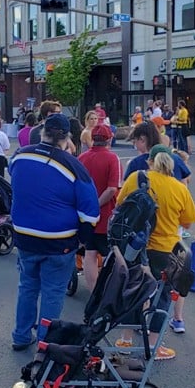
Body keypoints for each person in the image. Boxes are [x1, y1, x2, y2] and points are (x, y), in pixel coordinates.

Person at [9, 113, 100, 351]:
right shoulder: (72, 165)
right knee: (53, 291)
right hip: (59, 240)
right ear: (67, 138)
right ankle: (46, 342)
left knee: (27, 286)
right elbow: (90, 211)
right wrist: (82, 236)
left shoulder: (20, 156)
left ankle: (20, 335)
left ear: (43, 132)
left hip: (24, 235)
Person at [115, 145, 195, 360]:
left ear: (150, 161)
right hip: (166, 249)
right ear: (171, 163)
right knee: (162, 296)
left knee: (132, 290)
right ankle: (153, 346)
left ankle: (125, 339)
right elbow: (187, 222)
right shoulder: (179, 188)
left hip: (135, 246)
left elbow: (120, 204)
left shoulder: (136, 178)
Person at [78, 124, 121, 291]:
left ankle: (93, 292)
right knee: (110, 255)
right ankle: (109, 292)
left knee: (90, 253)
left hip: (85, 214)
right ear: (109, 139)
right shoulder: (112, 159)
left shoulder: (82, 158)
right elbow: (112, 189)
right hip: (105, 214)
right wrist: (96, 204)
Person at [124, 122, 191, 183]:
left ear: (142, 139)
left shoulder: (135, 163)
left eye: (134, 141)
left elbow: (128, 188)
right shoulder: (176, 158)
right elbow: (184, 184)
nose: (134, 144)